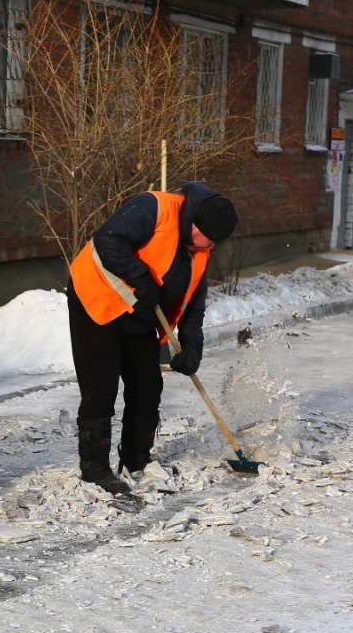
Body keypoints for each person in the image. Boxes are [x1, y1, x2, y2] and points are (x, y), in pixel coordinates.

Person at [65, 181, 238, 495]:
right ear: (195, 222)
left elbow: (193, 305)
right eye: (208, 238)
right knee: (100, 387)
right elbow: (108, 238)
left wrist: (192, 347)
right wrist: (142, 278)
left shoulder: (199, 250)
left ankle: (136, 461)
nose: (209, 246)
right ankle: (95, 470)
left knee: (147, 385)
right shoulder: (154, 208)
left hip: (140, 311)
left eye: (215, 242)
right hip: (97, 299)